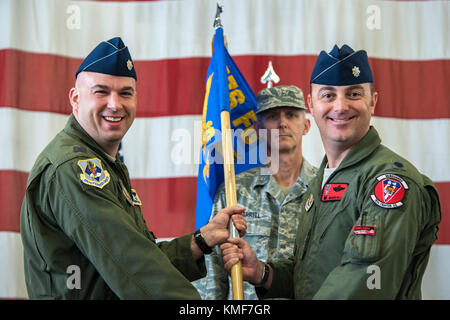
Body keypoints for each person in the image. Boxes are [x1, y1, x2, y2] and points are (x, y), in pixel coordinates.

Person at [20, 37, 246, 299]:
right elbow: (134, 267)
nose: (115, 104)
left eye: (125, 93)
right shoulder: (74, 168)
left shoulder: (106, 164)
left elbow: (138, 259)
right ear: (75, 98)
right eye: (101, 91)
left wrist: (200, 240)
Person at [221, 44, 441, 299]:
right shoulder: (320, 182)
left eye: (354, 94)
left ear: (373, 102)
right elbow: (311, 275)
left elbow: (361, 284)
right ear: (311, 105)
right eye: (328, 95)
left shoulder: (388, 181)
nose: (340, 106)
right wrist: (263, 273)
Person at [193, 85, 317, 299]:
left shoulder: (325, 189)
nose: (282, 123)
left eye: (291, 115)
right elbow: (213, 273)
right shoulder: (234, 193)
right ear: (257, 128)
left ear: (306, 125)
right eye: (272, 116)